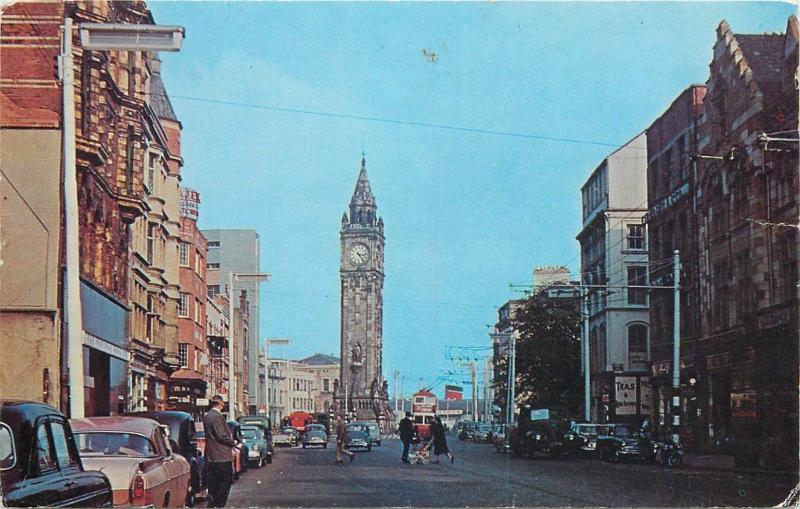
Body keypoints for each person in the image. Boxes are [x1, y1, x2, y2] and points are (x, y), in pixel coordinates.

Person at [203, 395, 237, 507]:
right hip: (221, 456)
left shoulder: (208, 416)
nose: (224, 405)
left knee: (214, 484)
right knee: (225, 482)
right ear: (220, 403)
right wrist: (233, 442)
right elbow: (221, 435)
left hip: (212, 456)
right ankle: (217, 504)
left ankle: (213, 503)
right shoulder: (217, 416)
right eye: (223, 403)